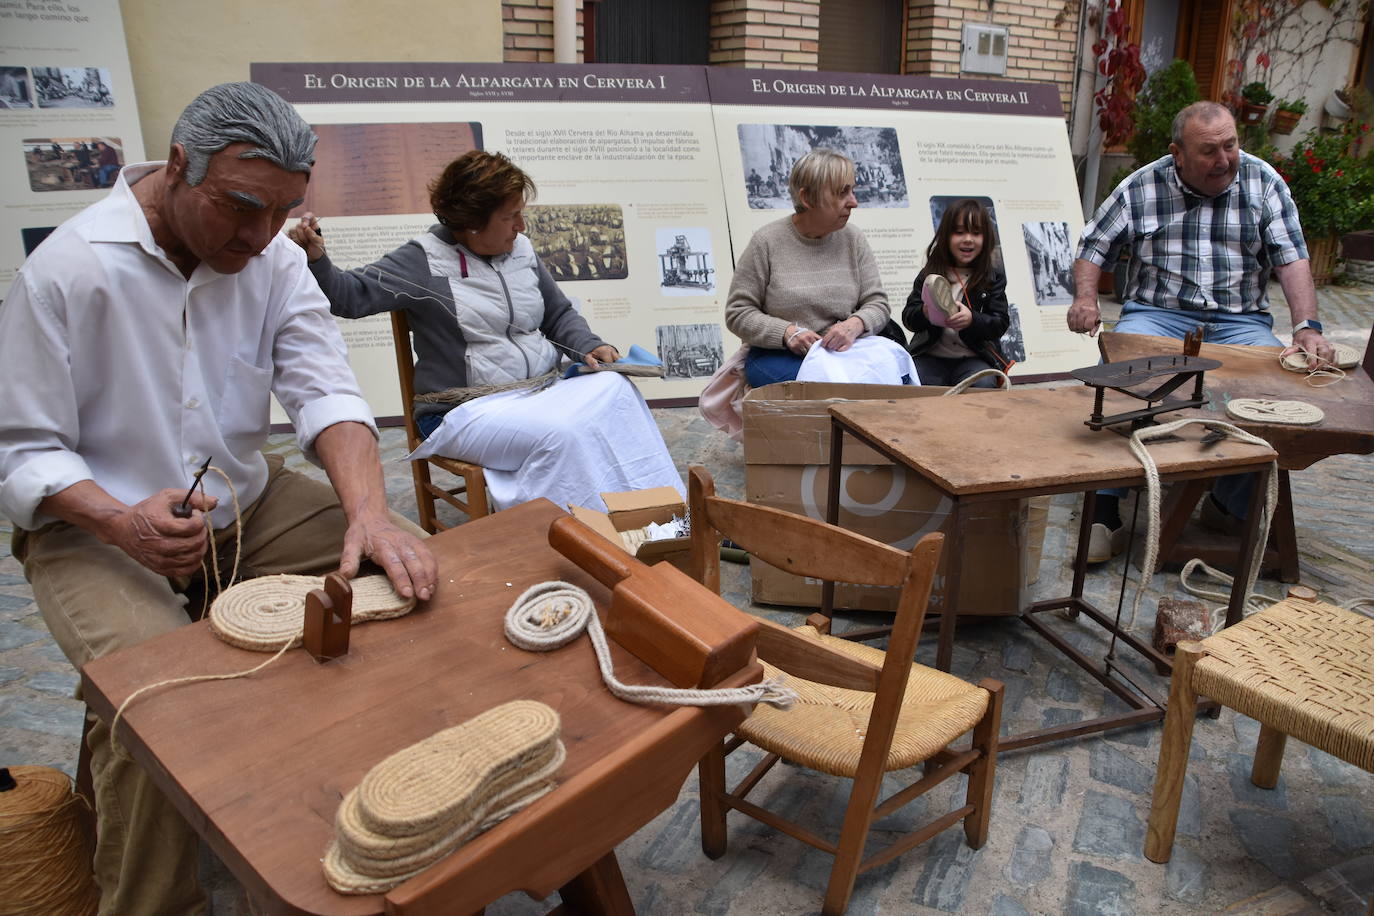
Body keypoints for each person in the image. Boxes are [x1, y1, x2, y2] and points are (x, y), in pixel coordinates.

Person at [0, 82, 437, 915]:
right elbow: (20, 452)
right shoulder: (66, 271)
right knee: (162, 708)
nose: (262, 234)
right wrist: (118, 521)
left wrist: (371, 517)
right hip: (88, 527)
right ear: (176, 167)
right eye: (241, 207)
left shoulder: (273, 261)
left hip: (245, 505)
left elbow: (328, 396)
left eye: (282, 212)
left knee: (409, 579)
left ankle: (369, 808)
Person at [289, 150, 683, 513]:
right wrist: (316, 260)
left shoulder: (521, 249)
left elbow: (558, 314)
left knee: (619, 393)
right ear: (472, 222)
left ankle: (667, 520)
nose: (521, 225)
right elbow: (349, 297)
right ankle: (581, 536)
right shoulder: (422, 261)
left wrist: (590, 345)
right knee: (563, 435)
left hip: (539, 391)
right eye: (510, 216)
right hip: (464, 410)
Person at [1068, 100, 1334, 561]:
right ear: (1178, 154)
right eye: (1209, 151)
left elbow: (1292, 259)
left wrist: (1307, 327)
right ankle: (1103, 509)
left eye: (1230, 145)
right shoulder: (1142, 185)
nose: (1225, 159)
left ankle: (1226, 503)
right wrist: (1086, 298)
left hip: (1240, 322)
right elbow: (1093, 247)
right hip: (1158, 313)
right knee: (1118, 377)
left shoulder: (1264, 182)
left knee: (1272, 393)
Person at [723, 147, 896, 388]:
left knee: (897, 375)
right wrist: (787, 332)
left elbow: (877, 304)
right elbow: (738, 312)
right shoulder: (767, 242)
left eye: (852, 191)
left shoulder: (853, 239)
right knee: (826, 388)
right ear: (807, 198)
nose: (854, 202)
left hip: (844, 351)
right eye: (842, 192)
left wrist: (853, 325)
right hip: (779, 356)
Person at [902, 198, 1011, 387]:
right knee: (916, 384)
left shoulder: (993, 277)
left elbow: (999, 323)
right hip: (930, 356)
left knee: (982, 384)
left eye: (976, 233)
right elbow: (908, 317)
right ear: (945, 236)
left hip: (974, 358)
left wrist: (972, 320)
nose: (968, 239)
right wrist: (925, 313)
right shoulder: (929, 274)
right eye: (959, 232)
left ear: (986, 238)